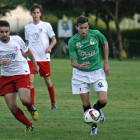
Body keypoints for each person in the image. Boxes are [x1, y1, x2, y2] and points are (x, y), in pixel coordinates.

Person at [68, 16, 110, 135]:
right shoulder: (72, 41)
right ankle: (93, 126)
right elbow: (73, 62)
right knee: (86, 103)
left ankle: (97, 108)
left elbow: (105, 43)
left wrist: (106, 62)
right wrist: (80, 66)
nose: (83, 31)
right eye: (81, 28)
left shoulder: (96, 34)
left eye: (86, 28)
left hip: (97, 72)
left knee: (103, 100)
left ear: (88, 27)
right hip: (80, 74)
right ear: (77, 27)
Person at [0, 20, 39, 131]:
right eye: (1, 32)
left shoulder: (17, 39)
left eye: (6, 31)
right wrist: (1, 63)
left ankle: (31, 107)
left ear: (9, 31)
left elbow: (28, 51)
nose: (4, 34)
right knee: (12, 106)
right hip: (6, 77)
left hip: (21, 73)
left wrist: (35, 65)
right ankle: (29, 125)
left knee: (25, 99)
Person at [24, 4, 57, 110]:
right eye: (34, 13)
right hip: (31, 59)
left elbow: (54, 40)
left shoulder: (46, 25)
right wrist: (24, 52)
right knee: (30, 81)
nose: (36, 14)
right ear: (31, 14)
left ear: (40, 14)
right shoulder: (27, 27)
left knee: (47, 81)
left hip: (44, 58)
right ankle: (32, 105)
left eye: (38, 12)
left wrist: (50, 48)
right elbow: (27, 43)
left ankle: (53, 102)